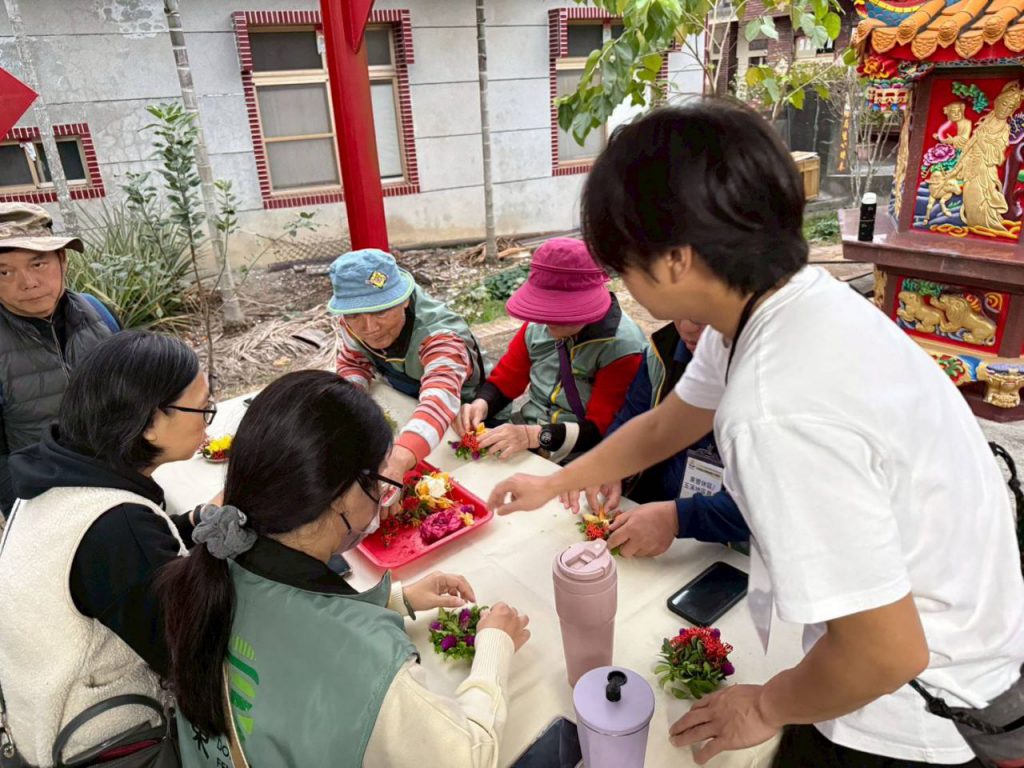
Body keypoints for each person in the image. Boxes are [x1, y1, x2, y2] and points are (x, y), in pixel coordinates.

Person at [488, 100, 1024, 767]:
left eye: (623, 263)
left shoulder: (775, 406)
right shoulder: (774, 300)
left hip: (913, 703)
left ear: (678, 260)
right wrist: (558, 482)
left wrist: (764, 705)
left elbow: (887, 652)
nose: (620, 283)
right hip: (948, 638)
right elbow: (673, 420)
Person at [159, 370, 531, 767]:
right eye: (377, 479)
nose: (382, 494)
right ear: (340, 497)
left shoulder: (222, 555)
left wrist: (391, 599)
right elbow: (468, 756)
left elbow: (292, 633)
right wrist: (495, 643)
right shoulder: (370, 660)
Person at [0, 331, 211, 766]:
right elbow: (190, 655)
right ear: (151, 422)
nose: (208, 419)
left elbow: (109, 566)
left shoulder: (55, 474)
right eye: (202, 406)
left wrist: (192, 523)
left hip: (33, 711)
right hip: (100, 741)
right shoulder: (118, 526)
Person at [561, 319, 750, 558]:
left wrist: (676, 519)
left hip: (737, 555)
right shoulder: (662, 353)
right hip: (653, 526)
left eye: (703, 315)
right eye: (677, 309)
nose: (687, 327)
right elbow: (631, 416)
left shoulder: (779, 380)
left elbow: (770, 501)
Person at [457, 238, 645, 463]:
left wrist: (533, 436)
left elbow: (599, 429)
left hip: (580, 456)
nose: (548, 320)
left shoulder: (622, 348)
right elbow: (506, 380)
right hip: (529, 435)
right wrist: (481, 405)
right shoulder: (540, 325)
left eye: (560, 312)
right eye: (544, 308)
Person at [329, 248, 489, 487]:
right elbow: (354, 361)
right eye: (354, 315)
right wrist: (347, 404)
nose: (369, 327)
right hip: (409, 408)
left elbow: (440, 397)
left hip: (466, 418)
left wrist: (400, 459)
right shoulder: (350, 322)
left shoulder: (441, 337)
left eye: (380, 311)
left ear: (404, 299)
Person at [0, 202, 120, 516]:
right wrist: (26, 517)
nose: (27, 282)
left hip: (122, 479)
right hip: (45, 501)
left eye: (37, 264)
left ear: (62, 260)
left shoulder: (100, 314)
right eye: (4, 271)